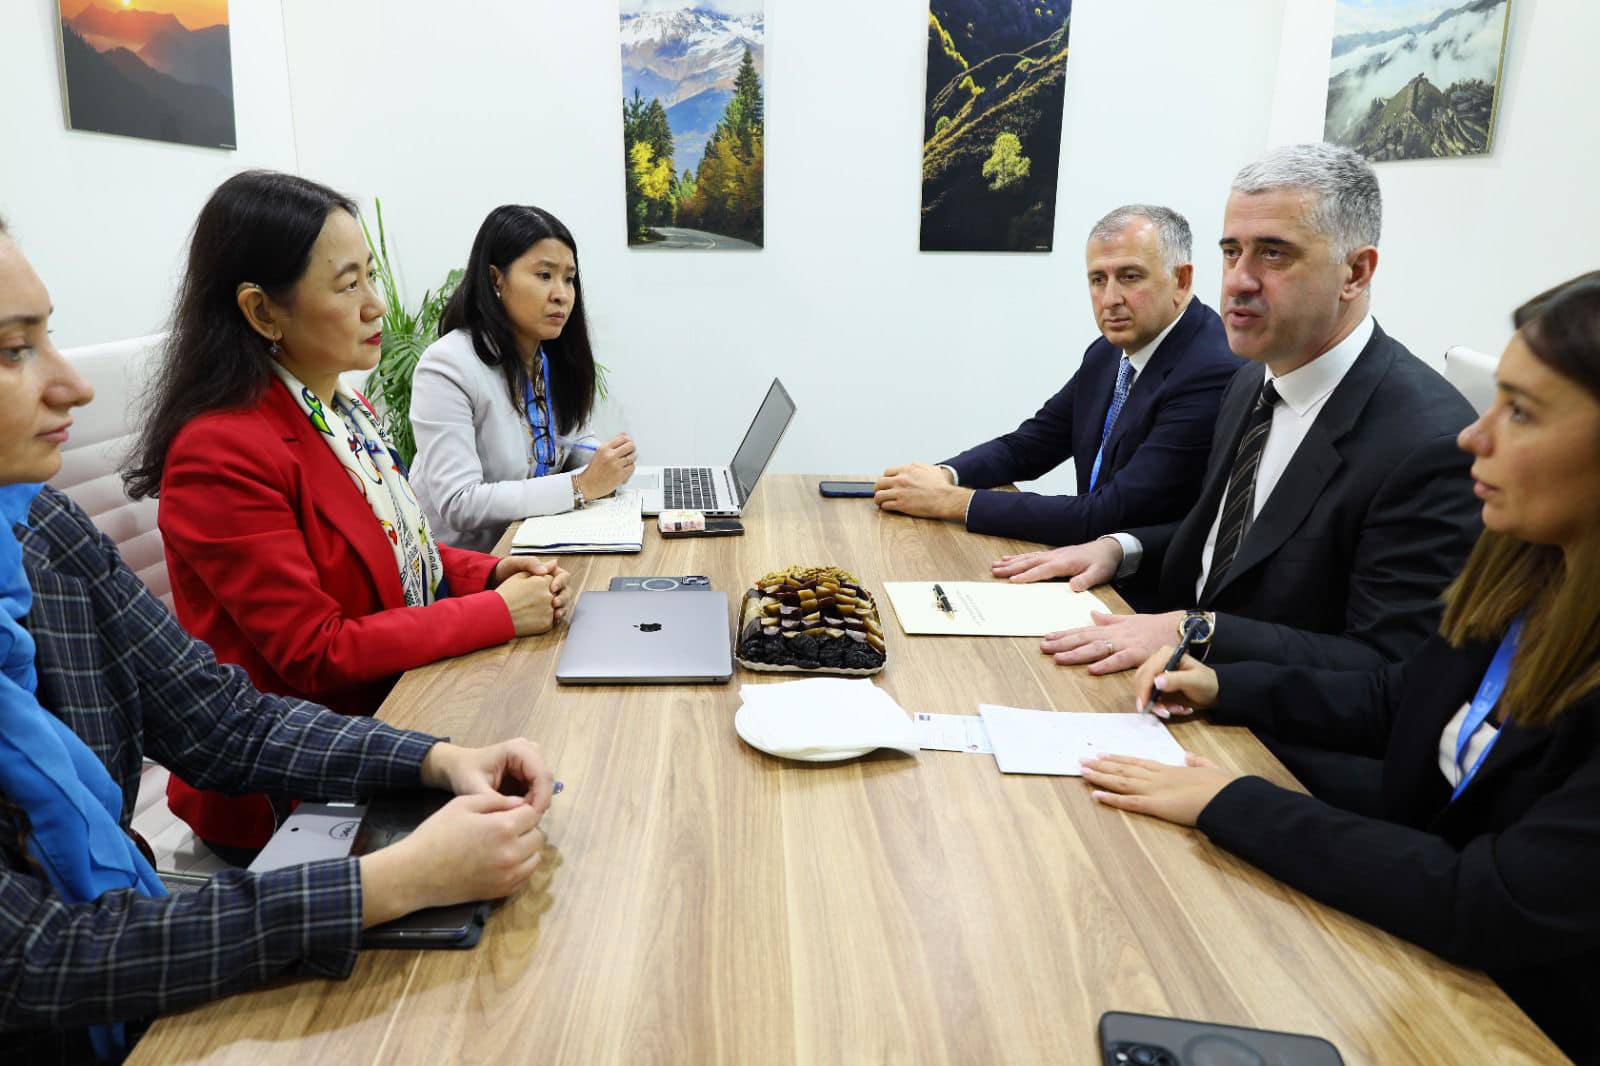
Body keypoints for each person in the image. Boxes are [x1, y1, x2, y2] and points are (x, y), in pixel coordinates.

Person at [0, 216, 554, 1064]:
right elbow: (34, 960)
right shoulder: (224, 445)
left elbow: (224, 718)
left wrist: (437, 760)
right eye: (14, 350)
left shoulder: (43, 527)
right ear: (263, 312)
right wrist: (391, 881)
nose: (72, 385)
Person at [1082, 271, 1600, 1064]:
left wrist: (1233, 801)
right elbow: (1400, 699)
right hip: (1418, 968)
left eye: (1521, 413)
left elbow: (1489, 899)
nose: (1474, 436)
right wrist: (1225, 686)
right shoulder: (1528, 570)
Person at [122, 171, 569, 858]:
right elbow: (316, 651)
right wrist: (497, 613)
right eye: (348, 284)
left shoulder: (340, 410)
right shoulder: (220, 450)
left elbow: (395, 548)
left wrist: (490, 573)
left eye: (372, 276)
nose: (376, 305)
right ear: (262, 312)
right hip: (295, 792)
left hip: (395, 713)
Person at [995, 144, 1478, 678]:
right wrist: (1121, 547)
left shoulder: (1430, 443)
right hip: (1166, 669)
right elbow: (1231, 544)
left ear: (1356, 273)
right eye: (1232, 252)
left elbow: (1390, 672)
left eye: (1273, 254)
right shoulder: (1251, 380)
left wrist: (1197, 632)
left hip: (1260, 716)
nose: (1238, 280)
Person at [873, 205, 1240, 545]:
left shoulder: (1209, 371)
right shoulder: (1107, 352)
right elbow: (1029, 446)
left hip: (1147, 584)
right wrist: (945, 475)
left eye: (1130, 277)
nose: (1110, 298)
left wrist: (952, 502)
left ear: (1181, 280)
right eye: (1098, 279)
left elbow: (1109, 513)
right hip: (1089, 564)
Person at [410, 205, 636, 553]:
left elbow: (575, 439)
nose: (561, 294)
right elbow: (459, 502)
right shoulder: (447, 366)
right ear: (496, 279)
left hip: (533, 547)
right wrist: (580, 485)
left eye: (569, 278)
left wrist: (606, 461)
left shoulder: (550, 357)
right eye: (544, 275)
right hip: (463, 568)